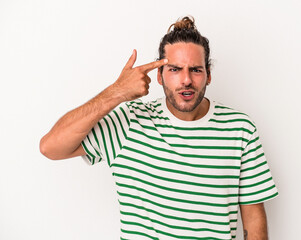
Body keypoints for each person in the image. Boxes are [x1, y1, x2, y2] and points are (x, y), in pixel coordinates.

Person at [40, 16, 278, 240]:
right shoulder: (129, 122)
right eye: (175, 69)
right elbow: (51, 147)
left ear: (208, 75)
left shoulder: (240, 129)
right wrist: (117, 92)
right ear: (160, 77)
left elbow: (253, 217)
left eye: (195, 69)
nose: (186, 80)